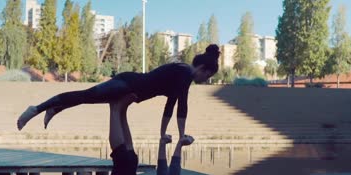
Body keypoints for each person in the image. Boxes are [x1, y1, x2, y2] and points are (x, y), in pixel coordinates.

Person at [17, 44, 221, 142]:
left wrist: (163, 135)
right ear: (204, 69)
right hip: (127, 85)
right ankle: (36, 109)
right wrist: (182, 135)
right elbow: (182, 108)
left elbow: (170, 106)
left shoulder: (182, 73)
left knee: (86, 99)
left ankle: (56, 109)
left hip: (128, 88)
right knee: (85, 96)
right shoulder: (185, 74)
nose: (206, 80)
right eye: (208, 76)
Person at [98, 93, 217, 175]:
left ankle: (113, 108)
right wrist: (162, 144)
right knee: (132, 159)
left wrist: (179, 146)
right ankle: (122, 111)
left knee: (123, 160)